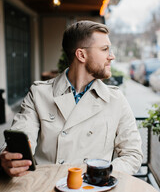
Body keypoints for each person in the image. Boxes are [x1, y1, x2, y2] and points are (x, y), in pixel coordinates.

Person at [0, 20, 143, 177]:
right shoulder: (39, 94)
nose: (112, 56)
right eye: (105, 49)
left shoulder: (116, 100)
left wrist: (99, 174)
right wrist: (11, 158)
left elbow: (132, 155)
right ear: (81, 54)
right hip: (44, 189)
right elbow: (21, 138)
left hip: (93, 191)